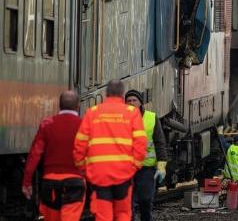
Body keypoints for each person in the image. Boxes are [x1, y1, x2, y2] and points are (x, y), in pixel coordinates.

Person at [74, 80, 147, 221]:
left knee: (103, 214)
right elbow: (140, 143)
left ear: (106, 93)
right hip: (124, 173)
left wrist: (83, 168)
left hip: (99, 174)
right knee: (123, 213)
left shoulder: (92, 112)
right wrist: (135, 166)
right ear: (121, 94)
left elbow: (80, 144)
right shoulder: (132, 113)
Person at [22, 91, 85, 221]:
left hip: (50, 181)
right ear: (78, 106)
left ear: (59, 105)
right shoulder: (84, 125)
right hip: (75, 180)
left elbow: (35, 154)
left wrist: (27, 182)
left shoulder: (47, 124)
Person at [125, 90, 168, 221]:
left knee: (146, 199)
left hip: (147, 168)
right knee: (128, 203)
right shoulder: (121, 119)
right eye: (129, 101)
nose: (132, 103)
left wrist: (161, 166)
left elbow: (160, 142)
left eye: (134, 100)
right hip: (127, 169)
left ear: (140, 103)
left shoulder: (151, 118)